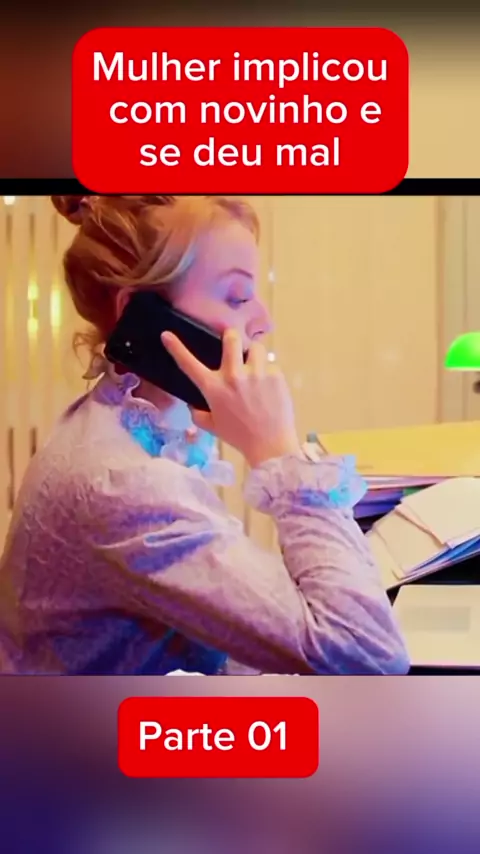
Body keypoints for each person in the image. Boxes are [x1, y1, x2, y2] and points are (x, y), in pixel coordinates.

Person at [0, 194, 409, 675]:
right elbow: (367, 654)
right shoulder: (124, 483)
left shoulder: (130, 430)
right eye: (237, 297)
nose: (264, 321)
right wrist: (278, 451)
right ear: (141, 315)